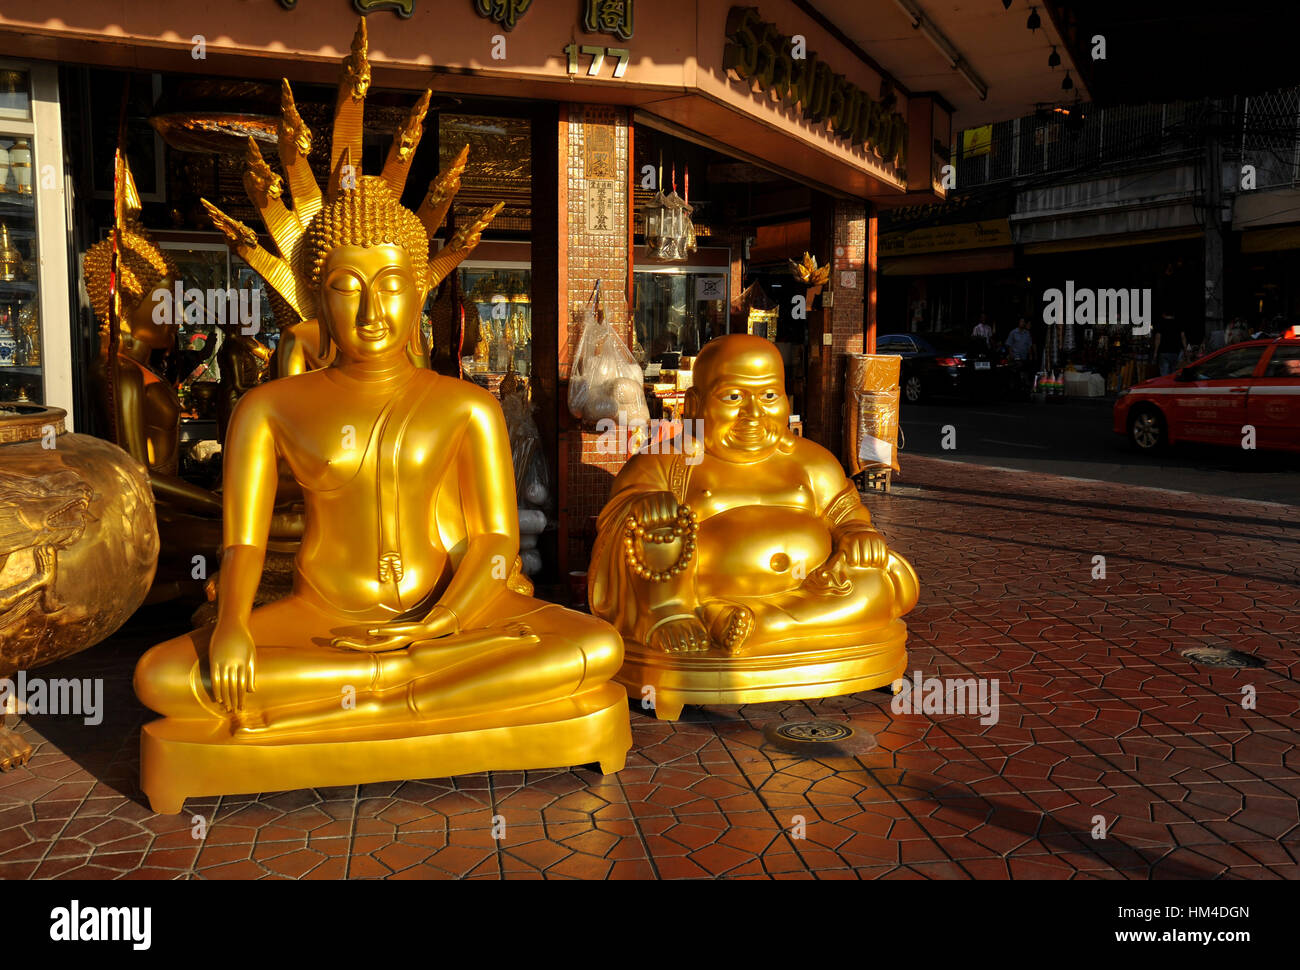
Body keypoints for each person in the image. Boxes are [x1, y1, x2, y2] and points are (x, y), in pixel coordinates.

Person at [1153, 263, 1186, 375]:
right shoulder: (1177, 322)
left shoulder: (1162, 323)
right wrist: (1185, 351)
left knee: (1165, 376)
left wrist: (1155, 353)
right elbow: (1182, 337)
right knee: (1173, 375)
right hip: (1175, 352)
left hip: (1164, 352)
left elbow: (1158, 338)